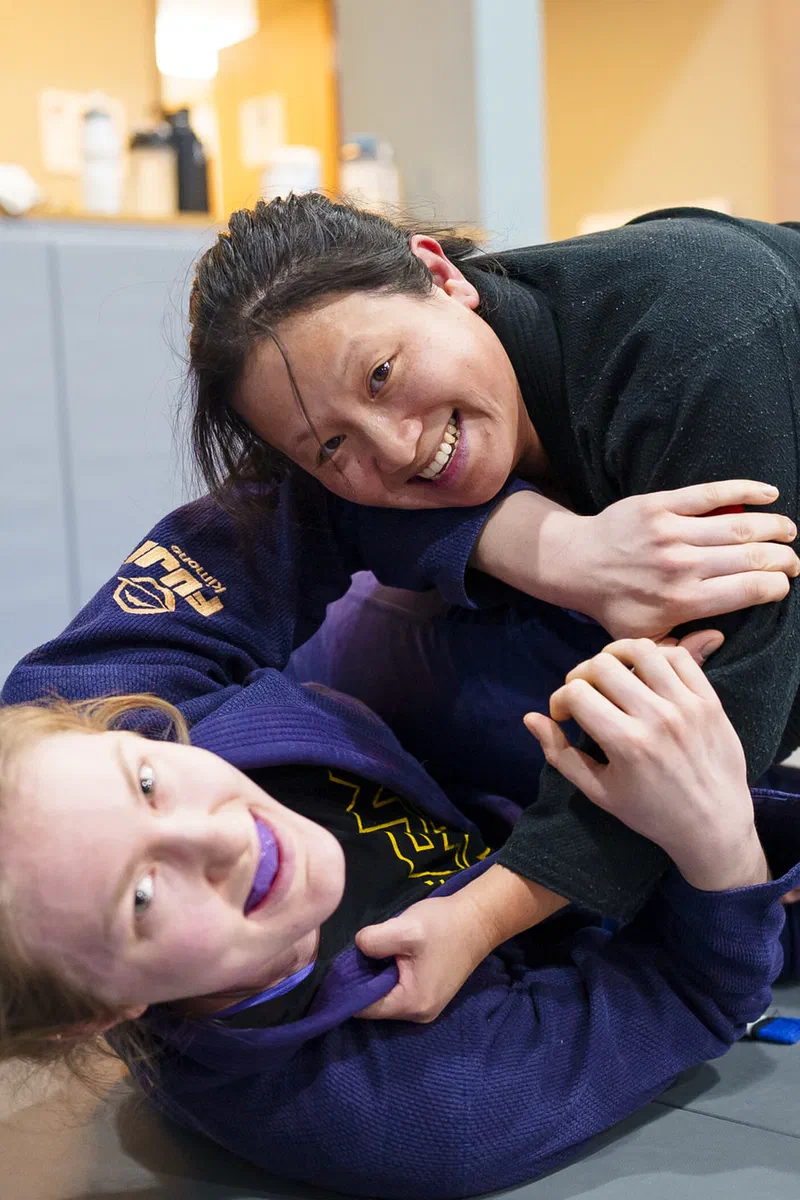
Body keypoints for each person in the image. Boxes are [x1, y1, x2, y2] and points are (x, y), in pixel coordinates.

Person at [5, 196, 800, 1019]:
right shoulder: (325, 407)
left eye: (382, 374)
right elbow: (54, 699)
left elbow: (725, 700)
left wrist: (482, 916)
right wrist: (532, 542)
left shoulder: (700, 327)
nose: (396, 449)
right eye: (331, 450)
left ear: (441, 273)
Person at [1, 637, 799, 1200]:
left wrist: (525, 538)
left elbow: (282, 508)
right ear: (102, 1015)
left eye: (146, 783)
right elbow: (692, 995)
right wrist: (718, 839)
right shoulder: (405, 1104)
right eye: (140, 897)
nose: (220, 836)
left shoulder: (122, 709)